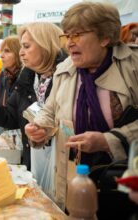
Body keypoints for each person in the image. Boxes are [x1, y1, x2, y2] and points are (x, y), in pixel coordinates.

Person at [24, 2, 138, 216]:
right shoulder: (65, 69)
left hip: (124, 181)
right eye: (67, 36)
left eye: (77, 35)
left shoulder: (133, 65)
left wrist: (108, 141)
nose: (69, 44)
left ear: (104, 37)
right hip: (73, 177)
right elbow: (49, 112)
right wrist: (39, 129)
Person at [0, 22, 67, 186]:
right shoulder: (28, 79)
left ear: (46, 45)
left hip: (64, 168)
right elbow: (9, 118)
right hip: (35, 162)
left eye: (26, 46)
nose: (21, 52)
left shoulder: (68, 79)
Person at [0, 37, 21, 106]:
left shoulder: (25, 78)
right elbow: (0, 105)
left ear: (18, 53)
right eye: (2, 51)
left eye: (7, 51)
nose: (1, 55)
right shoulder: (3, 76)